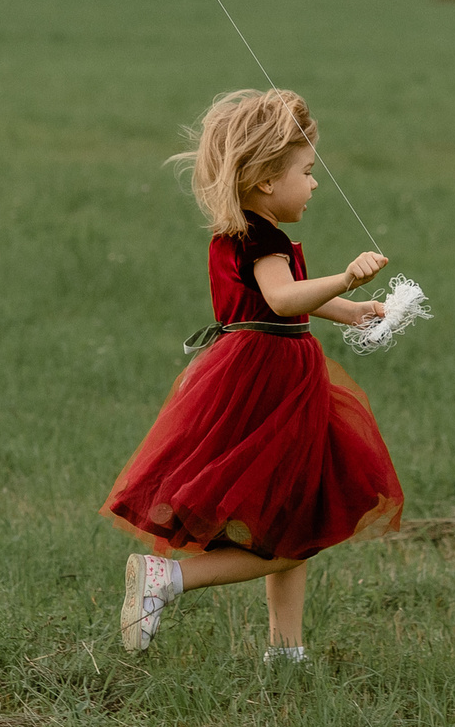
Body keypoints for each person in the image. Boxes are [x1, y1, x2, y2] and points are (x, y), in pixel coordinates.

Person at [103, 88, 404, 662]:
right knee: (298, 530)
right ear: (267, 179)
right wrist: (346, 280)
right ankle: (168, 581)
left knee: (290, 517)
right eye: (308, 172)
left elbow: (284, 302)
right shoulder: (261, 238)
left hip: (264, 372)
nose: (315, 184)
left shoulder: (246, 232)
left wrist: (352, 312)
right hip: (270, 383)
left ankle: (285, 652)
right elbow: (284, 296)